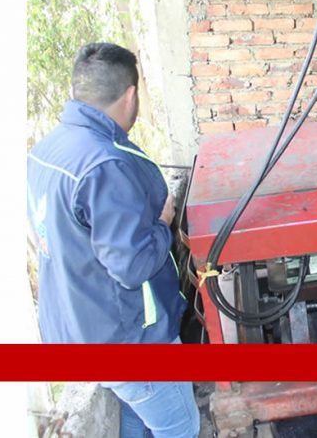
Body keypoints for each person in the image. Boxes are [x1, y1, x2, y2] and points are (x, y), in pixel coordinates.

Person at [27, 43, 200, 437]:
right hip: (129, 339)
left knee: (138, 416)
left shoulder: (45, 151)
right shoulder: (106, 165)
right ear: (131, 95)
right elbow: (132, 265)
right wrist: (164, 223)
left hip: (77, 330)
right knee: (181, 427)